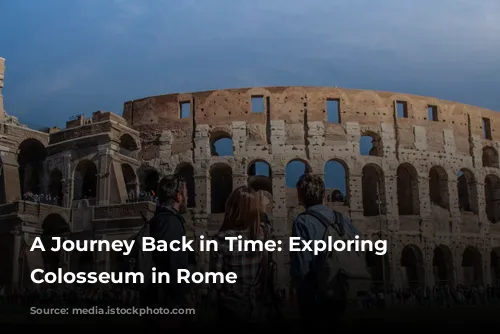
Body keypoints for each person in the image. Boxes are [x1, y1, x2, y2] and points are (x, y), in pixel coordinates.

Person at [290, 173, 348, 330]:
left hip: (315, 297)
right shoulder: (341, 219)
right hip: (340, 293)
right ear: (324, 194)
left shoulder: (302, 222)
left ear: (300, 197)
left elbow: (301, 266)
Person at [210, 186, 270, 328]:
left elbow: (216, 283)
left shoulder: (220, 239)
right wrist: (261, 208)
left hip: (231, 310)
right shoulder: (262, 234)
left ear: (231, 208)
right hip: (256, 307)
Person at [141, 174, 196, 330]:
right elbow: (175, 264)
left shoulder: (159, 219)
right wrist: (187, 299)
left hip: (158, 300)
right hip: (168, 304)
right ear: (178, 197)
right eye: (185, 194)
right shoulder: (170, 222)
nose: (187, 197)